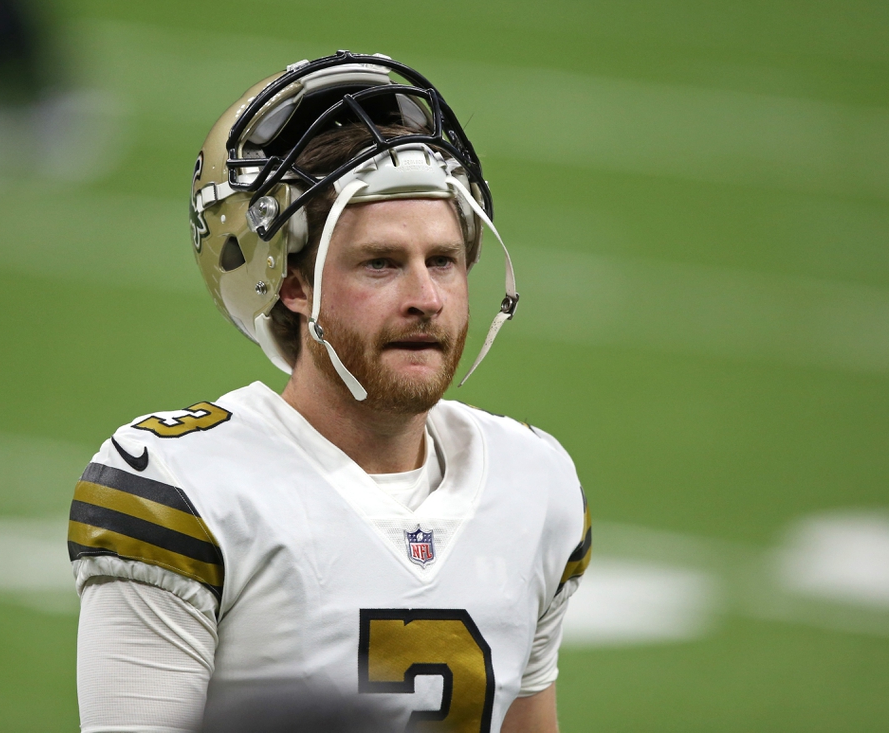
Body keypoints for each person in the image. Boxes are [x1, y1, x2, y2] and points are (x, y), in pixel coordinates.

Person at [68, 51, 591, 733]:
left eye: (444, 260)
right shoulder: (184, 491)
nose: (426, 298)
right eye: (380, 263)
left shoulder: (535, 480)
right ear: (293, 283)